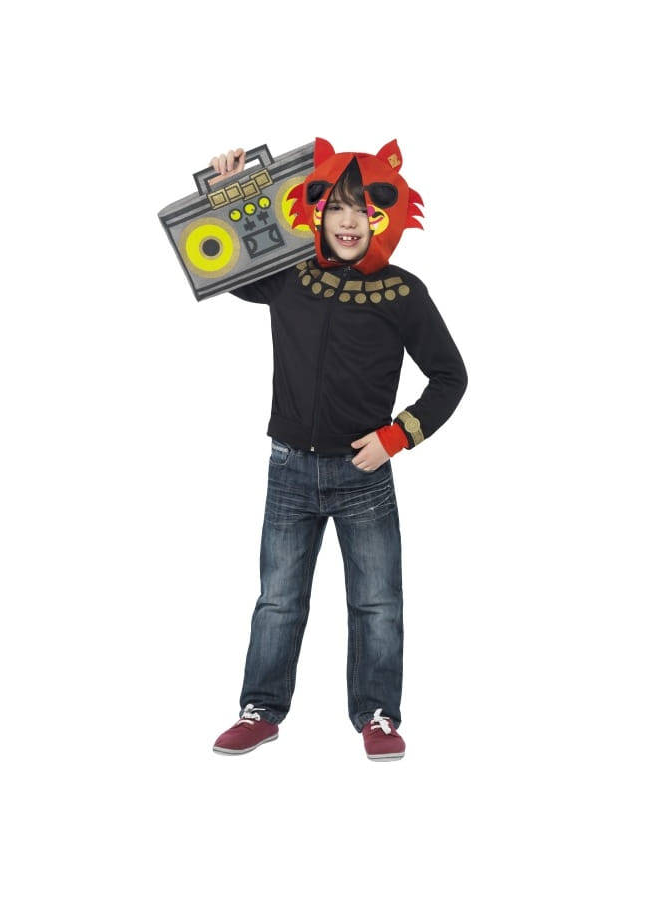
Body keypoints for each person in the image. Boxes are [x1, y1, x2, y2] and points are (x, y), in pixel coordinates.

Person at [204, 138, 467, 760]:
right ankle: (260, 709)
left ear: (385, 216)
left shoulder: (404, 293)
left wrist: (397, 436)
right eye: (338, 207)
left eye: (363, 209)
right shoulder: (291, 276)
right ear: (317, 212)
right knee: (278, 600)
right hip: (289, 469)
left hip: (363, 476)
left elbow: (450, 376)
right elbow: (228, 263)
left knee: (377, 603)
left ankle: (378, 715)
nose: (349, 221)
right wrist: (228, 190)